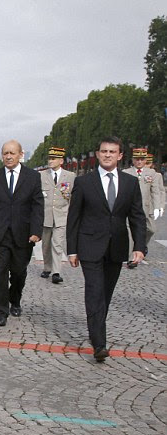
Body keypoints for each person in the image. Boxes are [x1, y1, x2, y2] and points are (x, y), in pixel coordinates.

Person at [67, 136, 146, 362]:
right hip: (90, 246)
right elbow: (74, 217)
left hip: (116, 247)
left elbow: (137, 217)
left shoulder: (131, 184)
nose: (108, 155)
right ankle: (99, 343)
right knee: (94, 291)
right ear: (98, 154)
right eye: (104, 151)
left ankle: (96, 330)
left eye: (112, 151)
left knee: (105, 295)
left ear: (120, 155)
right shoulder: (84, 182)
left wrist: (140, 247)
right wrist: (72, 250)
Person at [0, 140, 44, 326]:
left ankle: (15, 300)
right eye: (5, 153)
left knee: (18, 271)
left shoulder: (32, 177)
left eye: (12, 153)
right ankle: (2, 310)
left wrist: (36, 231)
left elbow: (38, 207)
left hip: (23, 234)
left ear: (20, 154)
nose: (8, 156)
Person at [39, 147, 76, 284]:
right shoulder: (42, 175)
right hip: (46, 215)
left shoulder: (70, 176)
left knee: (57, 244)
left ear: (61, 160)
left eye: (53, 159)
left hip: (62, 215)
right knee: (46, 244)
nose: (50, 161)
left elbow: (72, 196)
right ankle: (47, 267)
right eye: (49, 158)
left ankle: (56, 272)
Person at [123, 147, 165, 266]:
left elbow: (155, 191)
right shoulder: (126, 172)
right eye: (137, 159)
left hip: (146, 207)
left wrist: (158, 206)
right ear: (133, 160)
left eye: (142, 159)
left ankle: (142, 246)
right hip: (129, 208)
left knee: (151, 229)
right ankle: (132, 257)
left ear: (145, 160)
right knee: (130, 231)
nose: (139, 162)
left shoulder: (151, 173)